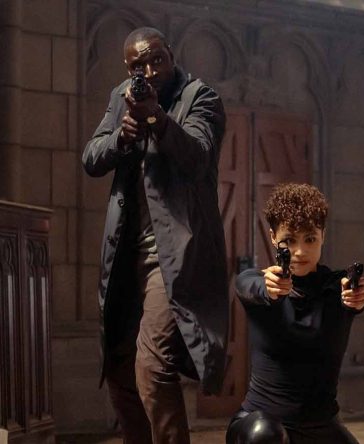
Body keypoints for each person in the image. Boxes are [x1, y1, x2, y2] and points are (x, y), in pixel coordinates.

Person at [82, 26, 228, 444]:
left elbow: (197, 156)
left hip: (173, 258)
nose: (148, 72)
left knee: (153, 365)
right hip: (124, 257)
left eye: (157, 60)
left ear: (171, 55)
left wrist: (156, 119)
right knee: (119, 369)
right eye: (137, 66)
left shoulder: (200, 97)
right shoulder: (120, 97)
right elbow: (91, 157)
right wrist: (121, 136)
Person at [226, 183, 364, 444]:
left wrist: (357, 297)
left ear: (323, 235)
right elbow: (249, 285)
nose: (300, 251)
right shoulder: (254, 280)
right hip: (261, 425)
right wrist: (269, 289)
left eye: (310, 239)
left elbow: (354, 295)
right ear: (273, 237)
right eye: (289, 240)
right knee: (264, 434)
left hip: (321, 425)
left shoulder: (338, 286)